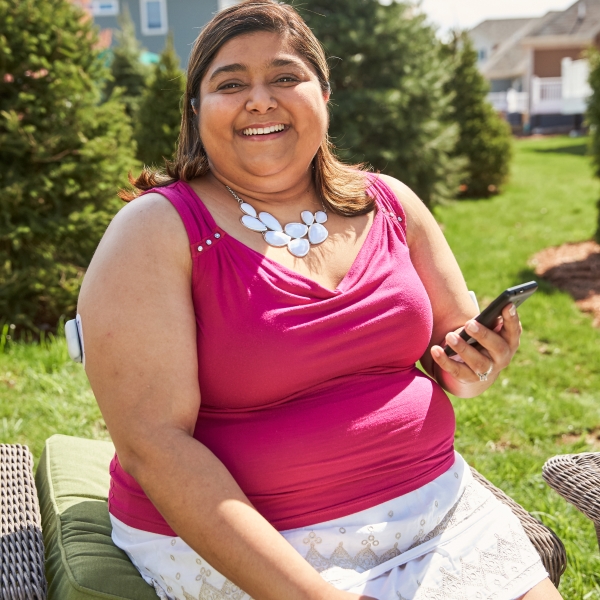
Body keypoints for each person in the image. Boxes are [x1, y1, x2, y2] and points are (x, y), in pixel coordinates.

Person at [78, 2, 563, 599]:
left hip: (436, 512)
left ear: (323, 95)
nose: (260, 99)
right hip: (254, 546)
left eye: (285, 77)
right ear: (196, 111)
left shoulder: (389, 202)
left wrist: (476, 360)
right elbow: (154, 447)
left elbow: (455, 354)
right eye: (231, 83)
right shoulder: (158, 230)